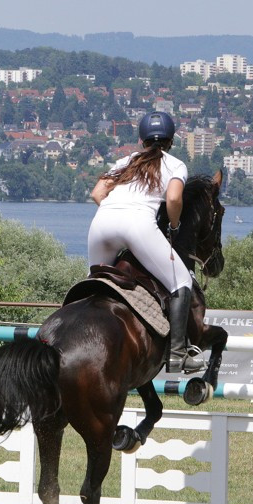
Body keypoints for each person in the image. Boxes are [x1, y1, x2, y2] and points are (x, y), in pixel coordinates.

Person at [88, 111, 194, 373]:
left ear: (141, 139)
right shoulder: (175, 164)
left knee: (92, 285)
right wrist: (174, 225)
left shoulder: (125, 161)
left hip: (102, 222)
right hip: (138, 225)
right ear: (171, 139)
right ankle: (178, 354)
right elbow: (173, 200)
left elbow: (97, 192)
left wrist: (115, 214)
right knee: (182, 281)